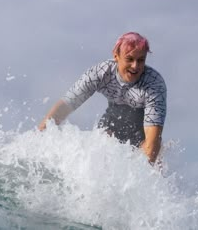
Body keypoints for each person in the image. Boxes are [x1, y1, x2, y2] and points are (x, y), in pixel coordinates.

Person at [39, 32, 167, 164]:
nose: (135, 66)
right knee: (102, 143)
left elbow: (151, 141)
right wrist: (40, 135)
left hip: (142, 129)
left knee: (155, 160)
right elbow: (66, 105)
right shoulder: (101, 73)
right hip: (113, 119)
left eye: (141, 60)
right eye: (129, 59)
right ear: (116, 56)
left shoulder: (153, 84)